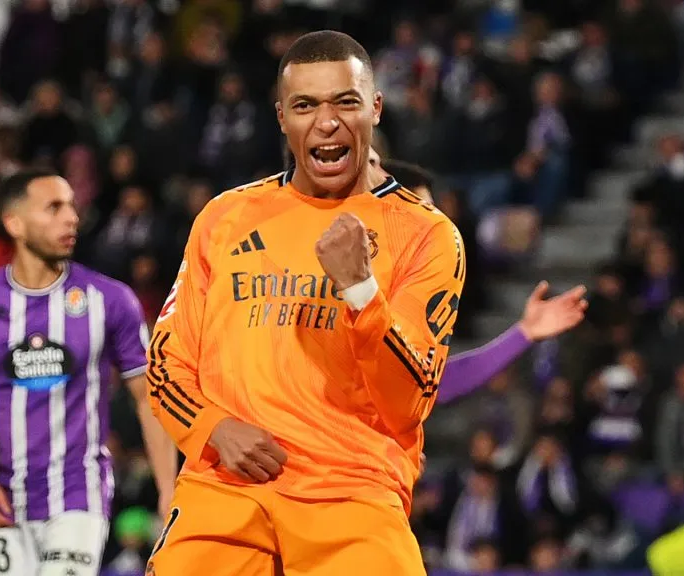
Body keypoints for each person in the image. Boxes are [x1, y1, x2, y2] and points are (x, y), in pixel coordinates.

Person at [144, 31, 586, 576]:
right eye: (305, 105)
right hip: (226, 486)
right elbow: (166, 363)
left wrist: (361, 292)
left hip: (351, 494)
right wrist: (211, 426)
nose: (326, 122)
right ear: (282, 117)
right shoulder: (224, 218)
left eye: (345, 102)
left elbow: (412, 399)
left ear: (374, 109)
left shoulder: (426, 235)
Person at [0, 169, 177, 576]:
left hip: (79, 496)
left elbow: (148, 398)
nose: (71, 218)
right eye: (53, 208)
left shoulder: (110, 299)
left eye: (71, 206)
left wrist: (168, 488)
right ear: (15, 224)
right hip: (6, 499)